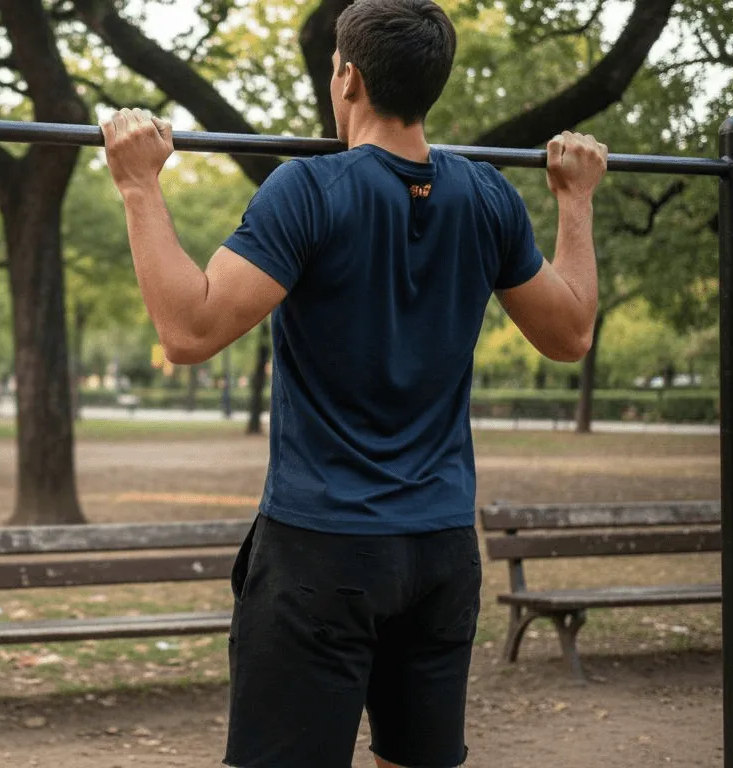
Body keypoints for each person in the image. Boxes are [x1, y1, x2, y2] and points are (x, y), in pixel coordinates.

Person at [99, 0, 607, 765]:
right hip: (438, 550)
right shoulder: (490, 198)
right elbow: (571, 333)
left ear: (349, 79)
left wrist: (139, 185)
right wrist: (576, 202)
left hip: (321, 553)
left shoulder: (308, 191)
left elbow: (189, 330)